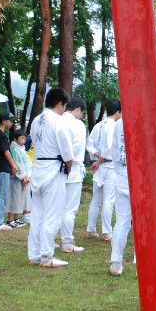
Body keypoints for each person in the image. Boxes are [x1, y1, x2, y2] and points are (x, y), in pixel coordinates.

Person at [27, 87, 74, 268]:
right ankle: (47, 256)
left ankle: (34, 253)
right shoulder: (58, 122)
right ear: (60, 104)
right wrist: (69, 168)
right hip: (53, 170)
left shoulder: (36, 121)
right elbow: (67, 153)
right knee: (52, 215)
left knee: (37, 214)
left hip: (38, 167)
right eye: (64, 106)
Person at [86, 99, 121, 241]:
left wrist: (96, 156)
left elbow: (90, 144)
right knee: (108, 199)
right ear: (118, 112)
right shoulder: (114, 126)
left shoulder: (98, 125)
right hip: (108, 165)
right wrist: (100, 159)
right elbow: (110, 149)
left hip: (99, 164)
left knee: (96, 199)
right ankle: (106, 231)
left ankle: (91, 228)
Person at [59, 97, 88, 253]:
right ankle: (67, 242)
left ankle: (50, 240)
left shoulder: (58, 120)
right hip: (73, 168)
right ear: (77, 109)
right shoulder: (78, 125)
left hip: (56, 168)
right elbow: (76, 148)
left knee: (56, 207)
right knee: (70, 208)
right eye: (81, 113)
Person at [108, 115, 131, 276]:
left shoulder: (119, 123)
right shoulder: (146, 118)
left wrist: (120, 170)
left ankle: (116, 262)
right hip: (141, 177)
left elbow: (115, 151)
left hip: (122, 174)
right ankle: (140, 259)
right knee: (143, 223)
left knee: (121, 222)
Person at [0, 111, 20, 231]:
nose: (12, 123)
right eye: (11, 120)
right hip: (1, 167)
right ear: (4, 121)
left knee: (2, 195)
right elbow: (6, 152)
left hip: (2, 167)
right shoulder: (0, 134)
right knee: (1, 195)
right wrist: (13, 165)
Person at [7, 128, 32, 228]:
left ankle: (16, 218)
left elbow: (28, 163)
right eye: (21, 138)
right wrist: (23, 177)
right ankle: (10, 219)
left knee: (20, 199)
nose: (24, 140)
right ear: (16, 139)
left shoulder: (22, 149)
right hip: (17, 178)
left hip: (24, 177)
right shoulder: (15, 150)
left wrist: (28, 176)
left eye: (25, 138)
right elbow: (18, 164)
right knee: (14, 198)